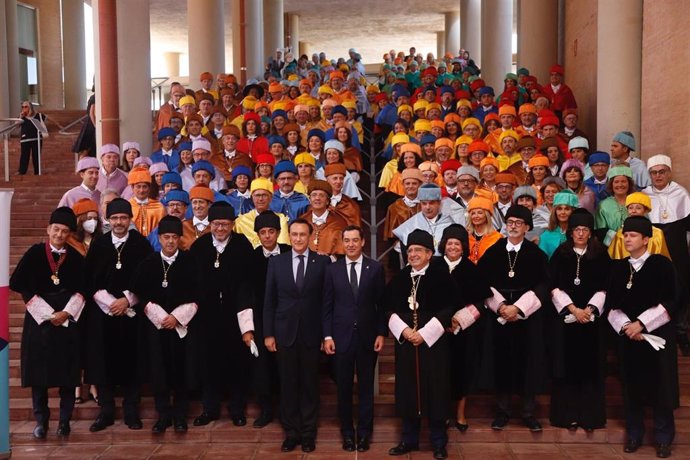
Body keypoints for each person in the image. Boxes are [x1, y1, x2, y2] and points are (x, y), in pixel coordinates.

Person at [10, 207, 86, 439]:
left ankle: (65, 422)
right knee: (39, 377)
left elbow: (84, 290)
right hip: (39, 323)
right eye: (56, 230)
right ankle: (41, 421)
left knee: (67, 376)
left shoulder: (75, 258)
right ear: (48, 229)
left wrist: (65, 313)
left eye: (64, 231)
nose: (59, 235)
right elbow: (20, 285)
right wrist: (47, 314)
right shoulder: (34, 254)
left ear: (69, 234)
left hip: (67, 322)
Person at [607, 216, 678, 459]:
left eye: (633, 235)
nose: (627, 238)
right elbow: (611, 305)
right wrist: (627, 326)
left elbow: (671, 301)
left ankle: (663, 438)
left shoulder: (662, 265)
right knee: (631, 388)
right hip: (629, 339)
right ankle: (634, 435)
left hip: (656, 339)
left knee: (661, 388)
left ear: (646, 239)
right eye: (625, 235)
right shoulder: (618, 268)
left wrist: (642, 324)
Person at [477, 205, 549, 432]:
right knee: (501, 362)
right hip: (499, 317)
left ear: (527, 227)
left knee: (528, 363)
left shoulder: (537, 255)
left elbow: (544, 285)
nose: (514, 226)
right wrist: (501, 307)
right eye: (510, 222)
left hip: (526, 318)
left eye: (519, 223)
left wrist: (518, 308)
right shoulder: (493, 251)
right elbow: (483, 282)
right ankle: (502, 411)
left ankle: (528, 412)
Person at [386, 229, 456, 459]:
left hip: (433, 344)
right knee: (408, 390)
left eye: (418, 250)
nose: (413, 254)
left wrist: (425, 334)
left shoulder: (441, 276)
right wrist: (405, 331)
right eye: (410, 250)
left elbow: (449, 308)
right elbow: (387, 308)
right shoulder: (399, 278)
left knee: (435, 390)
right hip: (406, 343)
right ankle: (409, 440)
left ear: (429, 254)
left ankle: (438, 442)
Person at [83, 198, 152, 432]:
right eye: (114, 218)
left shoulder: (140, 245)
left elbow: (148, 278)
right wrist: (110, 302)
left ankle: (132, 411)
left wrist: (127, 299)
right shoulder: (100, 244)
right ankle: (106, 412)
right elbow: (89, 278)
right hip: (103, 316)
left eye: (123, 218)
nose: (119, 222)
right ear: (107, 220)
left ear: (130, 219)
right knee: (103, 363)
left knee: (132, 361)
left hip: (132, 315)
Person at [263, 218, 331, 453]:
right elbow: (269, 301)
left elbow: (326, 303)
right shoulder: (276, 262)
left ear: (310, 236)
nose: (299, 238)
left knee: (310, 385)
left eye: (303, 234)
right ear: (288, 236)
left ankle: (309, 433)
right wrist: (269, 333)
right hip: (284, 333)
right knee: (288, 384)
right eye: (294, 234)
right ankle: (291, 432)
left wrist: (326, 335)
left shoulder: (322, 263)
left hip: (312, 334)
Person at [131, 216, 199, 433]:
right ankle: (163, 415)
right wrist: (159, 315)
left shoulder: (190, 262)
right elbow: (139, 294)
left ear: (180, 238)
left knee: (181, 370)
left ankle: (180, 415)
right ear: (159, 238)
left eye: (174, 237)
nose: (170, 241)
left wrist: (177, 317)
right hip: (156, 327)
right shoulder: (148, 263)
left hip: (182, 328)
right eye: (166, 237)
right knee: (159, 372)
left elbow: (199, 294)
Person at [189, 202, 255, 428]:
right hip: (206, 317)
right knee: (208, 363)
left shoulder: (242, 246)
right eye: (216, 224)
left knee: (237, 363)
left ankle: (237, 409)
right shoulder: (199, 247)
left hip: (234, 315)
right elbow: (193, 285)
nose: (220, 229)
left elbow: (247, 284)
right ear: (209, 224)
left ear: (232, 225)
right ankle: (210, 409)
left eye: (225, 225)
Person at [322, 225, 386, 452]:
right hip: (340, 338)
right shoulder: (333, 270)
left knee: (366, 388)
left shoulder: (376, 268)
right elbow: (327, 306)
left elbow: (382, 305)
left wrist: (381, 332)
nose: (350, 244)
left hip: (368, 338)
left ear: (362, 242)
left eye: (354, 240)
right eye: (346, 240)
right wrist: (327, 335)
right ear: (342, 242)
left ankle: (365, 433)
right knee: (344, 389)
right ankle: (347, 433)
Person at [548, 209, 609, 431]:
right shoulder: (561, 254)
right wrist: (573, 309)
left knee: (590, 369)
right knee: (566, 368)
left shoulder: (601, 255)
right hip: (566, 323)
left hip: (592, 323)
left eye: (585, 230)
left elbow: (606, 286)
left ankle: (590, 417)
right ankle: (567, 416)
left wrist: (589, 309)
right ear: (570, 232)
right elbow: (552, 286)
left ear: (590, 233)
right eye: (576, 230)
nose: (580, 234)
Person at [437, 225, 491, 434]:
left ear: (463, 247)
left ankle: (460, 413)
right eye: (449, 243)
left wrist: (458, 321)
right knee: (439, 373)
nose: (452, 247)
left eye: (457, 244)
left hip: (464, 332)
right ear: (443, 245)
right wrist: (441, 322)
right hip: (436, 332)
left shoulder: (472, 270)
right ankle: (440, 413)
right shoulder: (433, 267)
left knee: (462, 372)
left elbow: (480, 302)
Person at [642, 154, 690, 356]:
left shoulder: (682, 194)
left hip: (678, 250)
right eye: (654, 172)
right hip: (653, 253)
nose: (658, 176)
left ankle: (681, 330)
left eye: (662, 171)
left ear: (669, 172)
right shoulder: (644, 196)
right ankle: (655, 327)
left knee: (682, 287)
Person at [248, 211, 291, 428]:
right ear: (257, 235)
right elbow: (245, 294)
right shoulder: (252, 258)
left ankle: (287, 411)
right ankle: (266, 410)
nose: (267, 236)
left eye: (271, 231)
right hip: (261, 320)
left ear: (278, 232)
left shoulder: (290, 253)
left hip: (287, 320)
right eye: (263, 232)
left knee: (286, 367)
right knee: (262, 368)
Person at [608, 192, 671, 260]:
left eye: (638, 208)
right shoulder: (620, 234)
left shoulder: (657, 233)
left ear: (645, 210)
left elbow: (663, 259)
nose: (633, 211)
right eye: (630, 208)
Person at [300, 179, 347, 256]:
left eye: (321, 195)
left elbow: (341, 250)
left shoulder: (339, 223)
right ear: (310, 199)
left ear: (327, 201)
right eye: (314, 195)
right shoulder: (302, 221)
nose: (317, 198)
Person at [538, 189, 578, 259]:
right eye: (559, 209)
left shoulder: (579, 234)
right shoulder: (546, 236)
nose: (563, 212)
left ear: (572, 211)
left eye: (567, 209)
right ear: (555, 212)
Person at [127, 167, 166, 237]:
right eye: (138, 187)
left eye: (144, 187)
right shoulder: (127, 206)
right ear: (132, 188)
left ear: (149, 188)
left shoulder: (159, 207)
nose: (141, 190)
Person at [17, 101, 47, 175]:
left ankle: (37, 172)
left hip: (36, 138)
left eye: (26, 107)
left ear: (30, 107)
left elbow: (46, 119)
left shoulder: (38, 115)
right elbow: (17, 126)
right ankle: (22, 171)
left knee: (36, 156)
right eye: (22, 107)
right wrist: (20, 117)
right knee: (24, 155)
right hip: (25, 139)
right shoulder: (22, 117)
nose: (24, 108)